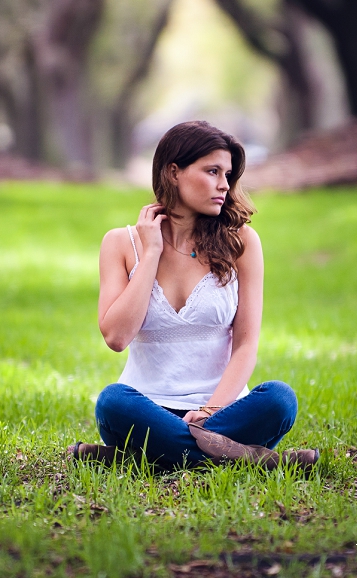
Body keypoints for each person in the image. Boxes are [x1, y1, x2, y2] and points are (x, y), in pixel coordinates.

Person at [68, 121, 317, 471]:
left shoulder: (242, 242)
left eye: (228, 175)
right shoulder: (120, 243)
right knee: (111, 402)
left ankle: (151, 457)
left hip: (223, 410)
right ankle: (246, 457)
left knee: (279, 399)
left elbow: (245, 345)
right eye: (212, 171)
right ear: (173, 172)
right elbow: (116, 336)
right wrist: (151, 253)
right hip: (145, 410)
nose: (224, 185)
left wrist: (210, 411)